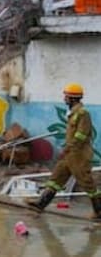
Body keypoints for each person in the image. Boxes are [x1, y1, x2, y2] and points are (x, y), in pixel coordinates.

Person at [28, 83, 101, 218]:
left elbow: (82, 135)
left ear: (73, 98)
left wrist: (69, 147)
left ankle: (99, 211)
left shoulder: (83, 114)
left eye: (66, 96)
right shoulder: (72, 113)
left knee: (87, 183)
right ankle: (41, 204)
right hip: (69, 154)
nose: (64, 98)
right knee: (56, 178)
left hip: (79, 155)